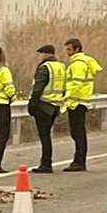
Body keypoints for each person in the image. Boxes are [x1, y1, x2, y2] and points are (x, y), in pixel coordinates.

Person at [63, 37, 103, 172]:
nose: (67, 52)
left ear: (77, 49)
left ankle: (79, 161)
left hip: (76, 102)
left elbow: (76, 84)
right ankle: (79, 160)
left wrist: (65, 96)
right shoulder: (83, 62)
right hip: (81, 101)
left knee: (77, 133)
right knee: (79, 132)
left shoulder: (78, 64)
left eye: (69, 49)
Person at [28, 44, 66, 173]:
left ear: (45, 53)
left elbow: (38, 87)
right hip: (55, 105)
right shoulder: (61, 66)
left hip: (43, 105)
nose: (39, 56)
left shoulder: (45, 67)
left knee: (44, 136)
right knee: (47, 135)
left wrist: (32, 104)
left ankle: (46, 163)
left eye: (40, 54)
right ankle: (46, 162)